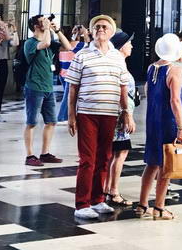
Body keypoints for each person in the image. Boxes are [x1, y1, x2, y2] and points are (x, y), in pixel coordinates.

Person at [67, 15, 134, 220]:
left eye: (105, 27)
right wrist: (71, 115)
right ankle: (82, 203)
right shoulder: (82, 55)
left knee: (104, 157)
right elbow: (73, 88)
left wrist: (127, 114)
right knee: (87, 159)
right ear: (92, 31)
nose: (100, 30)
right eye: (97, 27)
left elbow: (123, 88)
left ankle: (98, 199)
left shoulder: (117, 57)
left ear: (111, 32)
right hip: (87, 112)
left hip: (110, 113)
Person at [135, 33, 182, 220]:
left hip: (152, 119)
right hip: (167, 121)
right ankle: (159, 207)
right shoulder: (175, 70)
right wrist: (181, 127)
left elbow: (148, 91)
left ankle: (142, 204)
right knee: (166, 166)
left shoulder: (151, 68)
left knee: (152, 163)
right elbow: (175, 100)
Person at [24, 15, 71, 166]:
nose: (46, 21)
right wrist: (47, 29)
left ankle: (45, 153)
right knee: (32, 122)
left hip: (48, 87)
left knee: (51, 121)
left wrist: (57, 30)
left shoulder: (49, 41)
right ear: (36, 26)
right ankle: (30, 155)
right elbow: (45, 43)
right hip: (34, 86)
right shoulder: (30, 43)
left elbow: (68, 47)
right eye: (42, 20)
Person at [105, 31, 137, 207]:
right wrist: (127, 115)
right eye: (129, 43)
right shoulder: (119, 65)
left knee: (115, 153)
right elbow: (120, 93)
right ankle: (113, 191)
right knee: (120, 152)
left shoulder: (118, 63)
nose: (131, 46)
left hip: (117, 114)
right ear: (121, 46)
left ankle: (107, 188)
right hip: (120, 116)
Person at [57, 25, 87, 123]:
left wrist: (77, 34)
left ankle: (69, 116)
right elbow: (88, 45)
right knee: (68, 97)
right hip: (70, 75)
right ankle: (62, 117)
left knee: (68, 96)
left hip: (61, 74)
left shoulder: (60, 46)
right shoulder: (77, 45)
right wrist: (85, 32)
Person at [0, 20, 19, 123]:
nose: (3, 27)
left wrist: (15, 30)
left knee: (0, 88)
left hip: (3, 62)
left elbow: (16, 42)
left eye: (3, 25)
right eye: (0, 25)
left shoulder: (6, 38)